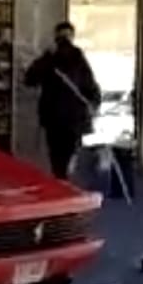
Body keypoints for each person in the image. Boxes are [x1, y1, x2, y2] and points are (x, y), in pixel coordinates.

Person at [24, 21, 101, 181]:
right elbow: (90, 86)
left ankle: (62, 180)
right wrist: (93, 104)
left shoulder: (60, 59)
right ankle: (65, 181)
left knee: (58, 156)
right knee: (66, 155)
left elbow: (30, 79)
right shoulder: (67, 59)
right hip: (67, 118)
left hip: (59, 117)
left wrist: (93, 103)